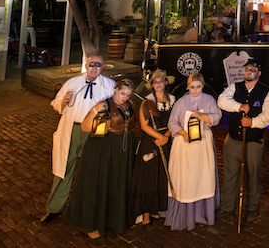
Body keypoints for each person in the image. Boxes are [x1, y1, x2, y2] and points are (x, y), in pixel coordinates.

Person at [40, 55, 115, 224]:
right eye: (91, 65)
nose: (94, 68)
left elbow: (117, 110)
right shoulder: (72, 83)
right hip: (72, 130)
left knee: (92, 170)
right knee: (64, 168)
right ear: (86, 65)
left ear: (103, 67)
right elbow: (55, 102)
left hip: (95, 132)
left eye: (98, 65)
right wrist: (64, 102)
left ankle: (89, 209)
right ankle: (54, 208)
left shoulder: (109, 86)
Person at [64, 78, 137, 239]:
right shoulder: (104, 105)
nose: (124, 97)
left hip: (123, 150)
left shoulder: (130, 105)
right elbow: (85, 127)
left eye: (128, 94)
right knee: (100, 183)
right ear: (116, 90)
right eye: (122, 93)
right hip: (103, 149)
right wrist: (94, 111)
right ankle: (92, 224)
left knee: (117, 183)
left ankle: (114, 219)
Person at [216, 60, 269, 224]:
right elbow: (221, 100)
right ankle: (226, 207)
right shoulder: (235, 87)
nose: (249, 72)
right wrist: (238, 106)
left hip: (254, 142)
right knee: (229, 175)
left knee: (252, 177)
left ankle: (251, 209)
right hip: (233, 140)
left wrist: (253, 123)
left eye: (253, 69)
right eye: (247, 69)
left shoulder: (266, 92)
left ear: (259, 73)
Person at [164, 72, 222, 230]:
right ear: (187, 86)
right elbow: (172, 122)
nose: (195, 90)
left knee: (202, 176)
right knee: (186, 178)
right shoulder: (181, 102)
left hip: (202, 144)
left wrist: (203, 115)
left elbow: (217, 117)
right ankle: (185, 212)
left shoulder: (209, 100)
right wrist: (183, 133)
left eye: (198, 87)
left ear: (203, 86)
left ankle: (202, 212)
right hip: (184, 145)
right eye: (192, 87)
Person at [129, 70, 176, 227]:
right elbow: (144, 125)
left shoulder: (172, 100)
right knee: (148, 176)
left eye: (161, 81)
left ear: (166, 82)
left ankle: (156, 209)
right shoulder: (147, 102)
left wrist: (167, 136)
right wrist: (159, 137)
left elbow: (174, 121)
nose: (158, 84)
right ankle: (146, 213)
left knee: (161, 175)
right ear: (152, 85)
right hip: (151, 141)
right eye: (155, 82)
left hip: (166, 140)